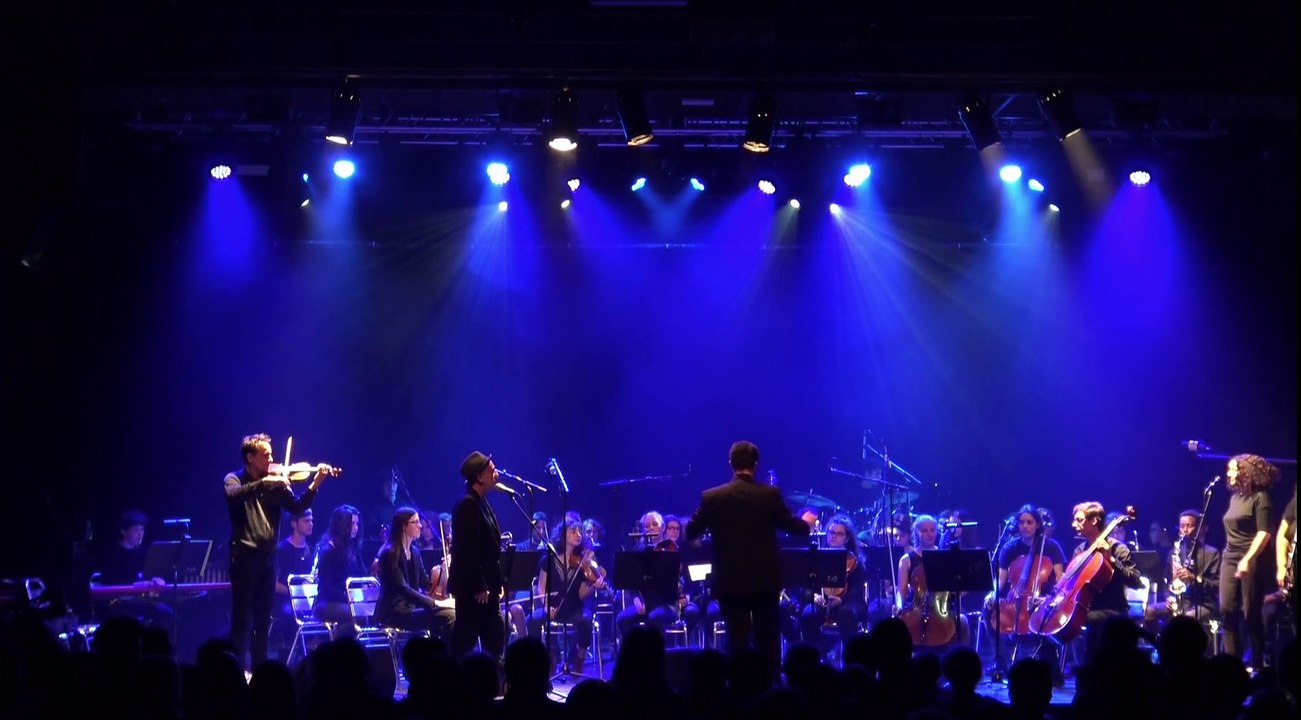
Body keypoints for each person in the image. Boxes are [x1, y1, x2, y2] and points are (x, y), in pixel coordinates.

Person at [685, 440, 812, 679]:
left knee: (737, 639)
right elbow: (794, 527)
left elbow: (691, 531)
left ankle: (739, 691)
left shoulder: (712, 497)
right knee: (768, 639)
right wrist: (807, 521)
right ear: (756, 464)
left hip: (729, 581)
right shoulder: (770, 495)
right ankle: (772, 687)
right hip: (765, 579)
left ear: (730, 463)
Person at [223, 433, 335, 669]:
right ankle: (234, 673)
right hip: (244, 556)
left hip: (267, 558)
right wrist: (264, 483)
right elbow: (233, 495)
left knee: (263, 620)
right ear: (251, 457)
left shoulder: (277, 483)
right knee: (242, 619)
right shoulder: (234, 479)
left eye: (272, 454)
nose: (272, 459)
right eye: (266, 455)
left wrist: (316, 483)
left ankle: (260, 672)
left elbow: (297, 506)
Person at [1220, 452, 1278, 666]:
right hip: (1230, 555)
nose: (1230, 473)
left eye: (1234, 469)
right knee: (1226, 610)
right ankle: (1231, 665)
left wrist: (1248, 559)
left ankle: (1257, 664)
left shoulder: (1261, 497)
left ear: (1247, 472)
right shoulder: (1235, 497)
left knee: (1250, 613)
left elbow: (1264, 533)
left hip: (1253, 556)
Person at [527, 520, 605, 673]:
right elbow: (541, 588)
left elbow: (582, 595)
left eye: (580, 531)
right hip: (552, 607)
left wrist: (592, 585)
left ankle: (580, 658)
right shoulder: (549, 559)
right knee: (533, 620)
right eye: (573, 531)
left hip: (574, 607)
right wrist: (547, 604)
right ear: (563, 535)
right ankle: (549, 656)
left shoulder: (584, 562)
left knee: (586, 620)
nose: (578, 534)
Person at [450, 450, 506, 660]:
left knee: (494, 633)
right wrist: (479, 585)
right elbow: (467, 550)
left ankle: (494, 681)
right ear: (479, 477)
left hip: (488, 583)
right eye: (491, 470)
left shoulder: (480, 501)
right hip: (473, 588)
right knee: (466, 637)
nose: (497, 473)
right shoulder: (467, 504)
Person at [1069, 501, 1143, 657]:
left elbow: (1136, 581)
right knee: (1069, 623)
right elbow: (1073, 582)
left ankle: (1092, 672)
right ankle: (1085, 673)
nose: (1074, 524)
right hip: (1087, 608)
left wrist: (1112, 561)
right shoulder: (1080, 551)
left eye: (1079, 520)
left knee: (1085, 621)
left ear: (1094, 520)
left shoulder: (1118, 548)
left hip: (1113, 609)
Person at [375, 507, 455, 636]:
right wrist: (435, 603)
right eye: (416, 522)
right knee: (450, 616)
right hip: (394, 613)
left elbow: (426, 584)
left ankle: (440, 653)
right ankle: (449, 654)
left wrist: (444, 570)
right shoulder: (390, 554)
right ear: (403, 526)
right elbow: (403, 589)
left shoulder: (415, 552)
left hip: (411, 608)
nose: (420, 526)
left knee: (451, 613)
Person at [93, 510, 174, 629]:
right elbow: (110, 580)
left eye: (142, 530)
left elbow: (149, 573)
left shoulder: (144, 552)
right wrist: (135, 585)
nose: (140, 534)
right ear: (123, 531)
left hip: (139, 599)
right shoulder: (111, 552)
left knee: (166, 613)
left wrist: (155, 579)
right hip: (117, 601)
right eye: (136, 530)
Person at [1146, 510, 1220, 629]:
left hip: (1203, 604)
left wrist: (1194, 578)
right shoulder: (1174, 552)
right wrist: (1168, 597)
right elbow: (1166, 581)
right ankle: (1158, 644)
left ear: (1199, 529)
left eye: (1189, 526)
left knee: (1185, 619)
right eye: (1182, 526)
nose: (1185, 530)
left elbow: (1216, 586)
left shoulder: (1212, 553)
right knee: (1149, 610)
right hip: (1179, 602)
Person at [802, 513, 867, 647]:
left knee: (846, 613)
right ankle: (817, 653)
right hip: (821, 601)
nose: (833, 536)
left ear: (847, 538)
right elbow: (807, 585)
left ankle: (850, 655)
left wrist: (841, 600)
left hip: (847, 601)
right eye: (831, 532)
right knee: (809, 614)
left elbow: (857, 590)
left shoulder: (855, 561)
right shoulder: (817, 557)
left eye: (838, 533)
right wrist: (814, 596)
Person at [271, 508, 315, 658]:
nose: (311, 524)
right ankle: (287, 653)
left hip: (307, 600)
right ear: (294, 524)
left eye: (311, 520)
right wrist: (295, 593)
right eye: (306, 521)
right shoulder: (282, 549)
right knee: (290, 613)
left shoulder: (311, 549)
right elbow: (273, 583)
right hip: (284, 600)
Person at [312, 504, 366, 626]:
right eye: (352, 524)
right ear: (342, 525)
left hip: (349, 601)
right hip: (327, 603)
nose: (356, 528)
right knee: (358, 614)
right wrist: (349, 598)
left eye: (357, 524)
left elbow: (362, 575)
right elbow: (327, 587)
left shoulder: (353, 550)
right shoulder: (327, 551)